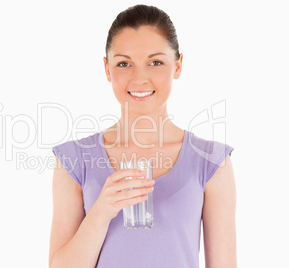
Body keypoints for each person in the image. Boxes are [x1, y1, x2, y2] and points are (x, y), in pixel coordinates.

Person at [49, 4, 237, 268]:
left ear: (178, 66)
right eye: (124, 63)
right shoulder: (73, 160)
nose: (139, 79)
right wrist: (102, 210)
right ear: (107, 69)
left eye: (155, 62)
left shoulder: (211, 162)